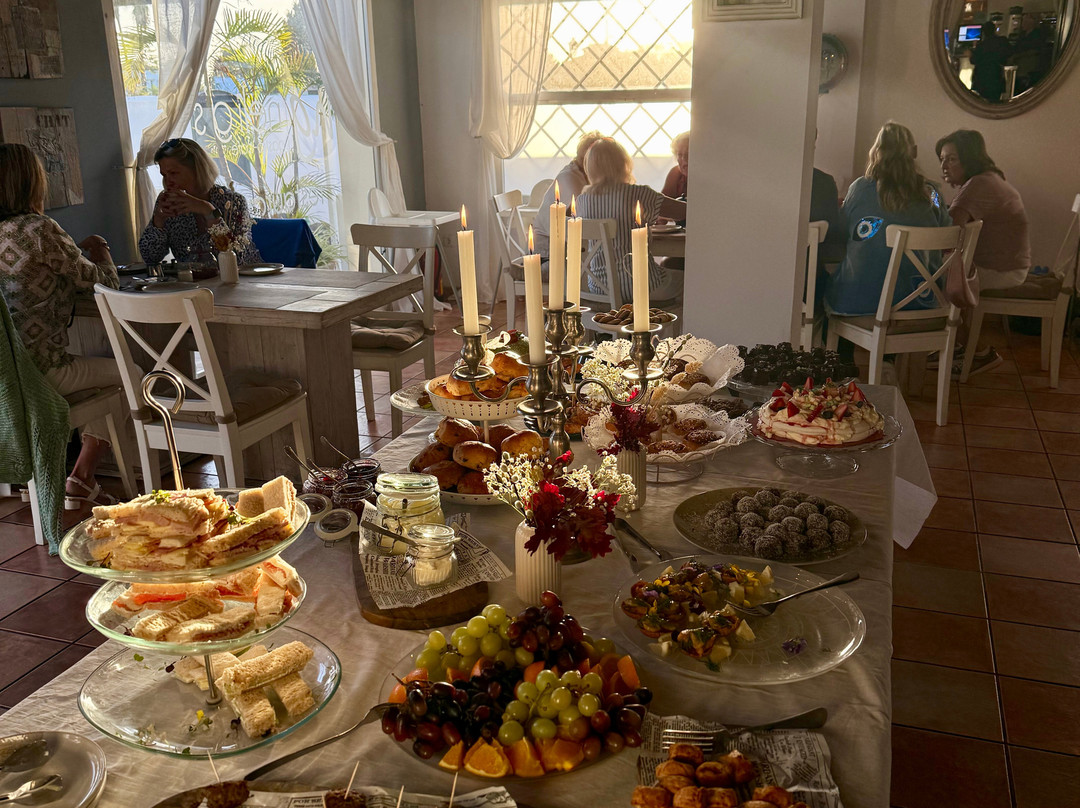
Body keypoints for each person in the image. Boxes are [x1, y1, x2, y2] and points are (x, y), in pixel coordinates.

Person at [0, 144, 121, 506]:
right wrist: (101, 249)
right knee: (131, 375)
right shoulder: (38, 229)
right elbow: (105, 284)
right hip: (44, 373)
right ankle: (82, 476)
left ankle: (40, 478)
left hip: (7, 381)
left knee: (101, 366)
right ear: (31, 183)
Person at [824, 122, 950, 319]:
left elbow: (841, 232)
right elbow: (946, 238)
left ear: (876, 152)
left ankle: (839, 340)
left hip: (857, 303)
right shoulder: (932, 193)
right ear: (914, 152)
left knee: (827, 290)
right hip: (920, 303)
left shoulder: (860, 189)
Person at [936, 129, 1030, 375]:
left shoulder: (979, 184)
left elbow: (947, 231)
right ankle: (956, 346)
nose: (944, 166)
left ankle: (976, 352)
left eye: (951, 159)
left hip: (1002, 270)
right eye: (942, 159)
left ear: (970, 158)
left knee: (932, 279)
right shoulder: (988, 179)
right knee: (943, 271)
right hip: (1007, 265)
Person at [575, 138, 686, 303]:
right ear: (623, 163)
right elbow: (684, 212)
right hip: (643, 286)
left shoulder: (582, 201)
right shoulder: (639, 194)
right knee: (691, 279)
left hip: (598, 288)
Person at [139, 138, 261, 265]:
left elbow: (238, 258)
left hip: (240, 276)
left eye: (173, 173)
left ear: (197, 169)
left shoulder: (232, 202)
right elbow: (149, 257)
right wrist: (158, 221)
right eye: (164, 175)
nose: (168, 181)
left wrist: (208, 211)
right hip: (191, 277)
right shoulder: (169, 203)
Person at [532, 131, 605, 259]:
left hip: (566, 246)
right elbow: (587, 216)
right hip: (548, 252)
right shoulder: (570, 178)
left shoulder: (581, 173)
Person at [970, 22, 1011, 102]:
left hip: (982, 79)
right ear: (994, 30)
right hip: (996, 76)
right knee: (995, 101)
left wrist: (973, 49)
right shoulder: (1002, 41)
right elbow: (1008, 54)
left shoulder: (981, 45)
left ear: (983, 33)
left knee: (982, 102)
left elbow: (974, 60)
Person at [661, 132, 690, 201]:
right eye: (680, 154)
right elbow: (662, 203)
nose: (684, 158)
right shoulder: (676, 173)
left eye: (688, 153)